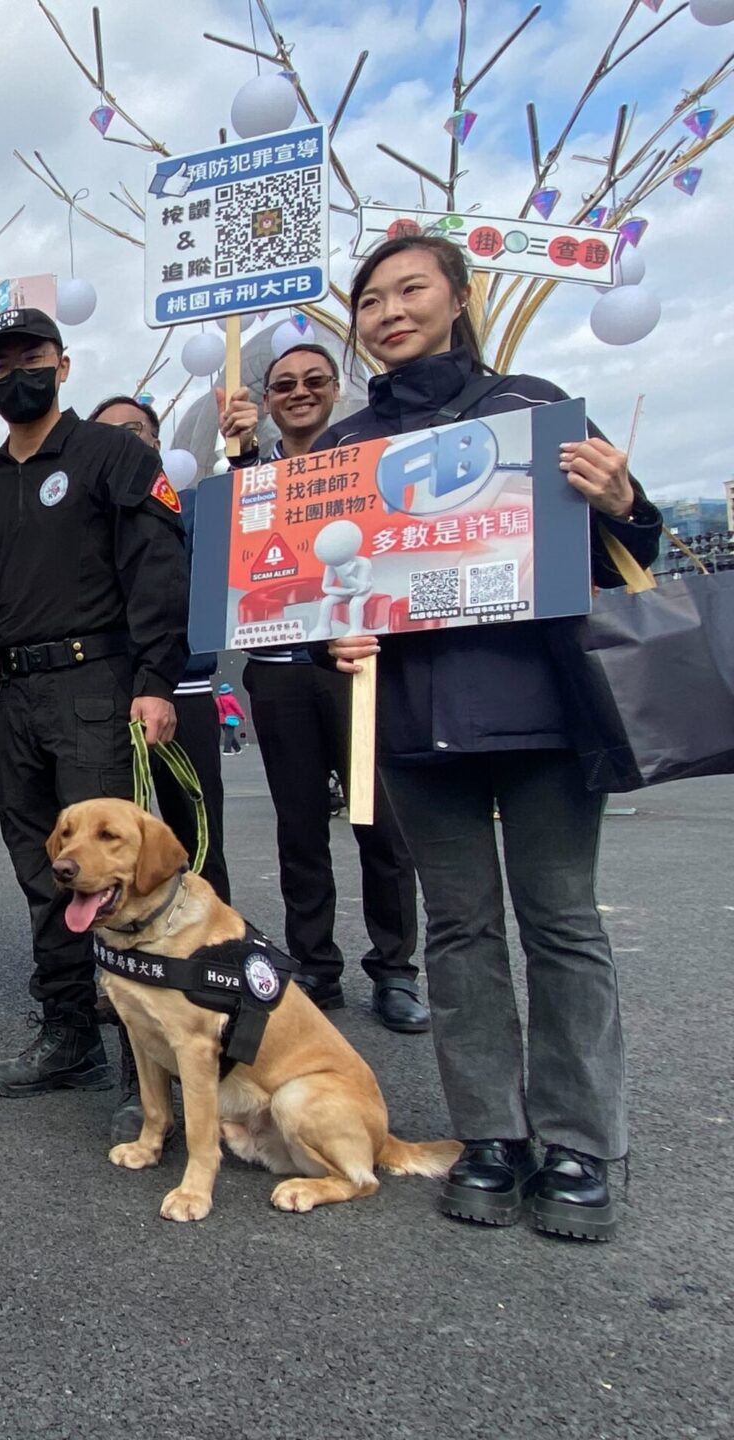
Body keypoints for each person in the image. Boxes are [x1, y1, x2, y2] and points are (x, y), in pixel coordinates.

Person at [321, 233, 662, 1241]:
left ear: (458, 296)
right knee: (460, 931)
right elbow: (310, 587)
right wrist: (331, 628)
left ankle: (581, 1143)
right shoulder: (345, 451)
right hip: (418, 719)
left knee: (562, 923)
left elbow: (618, 549)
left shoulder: (529, 406)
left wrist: (622, 499)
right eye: (371, 300)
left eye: (410, 289)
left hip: (547, 708)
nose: (389, 311)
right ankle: (493, 1135)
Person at [0, 308, 190, 1107]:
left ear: (63, 364)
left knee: (117, 876)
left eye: (31, 357)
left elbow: (158, 567)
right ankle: (67, 1034)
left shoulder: (111, 454)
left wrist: (155, 679)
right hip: (13, 700)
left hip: (98, 686)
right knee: (49, 873)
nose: (15, 373)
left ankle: (142, 1067)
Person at [218, 341, 429, 1034]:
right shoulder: (255, 472)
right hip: (277, 674)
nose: (299, 392)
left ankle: (396, 970)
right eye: (284, 384)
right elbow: (237, 551)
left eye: (314, 381)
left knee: (379, 824)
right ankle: (316, 965)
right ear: (269, 398)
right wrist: (241, 459)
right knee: (299, 828)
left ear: (337, 388)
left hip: (357, 670)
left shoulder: (370, 462)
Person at [89, 394, 230, 906]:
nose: (124, 443)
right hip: (102, 698)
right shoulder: (82, 518)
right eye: (108, 434)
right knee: (111, 848)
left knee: (195, 838)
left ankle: (211, 956)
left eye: (135, 430)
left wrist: (244, 457)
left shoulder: (192, 506)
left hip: (180, 691)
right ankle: (128, 965)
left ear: (156, 440)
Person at [216, 683, 246, 753]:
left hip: (221, 720)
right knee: (229, 735)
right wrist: (243, 716)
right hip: (230, 719)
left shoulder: (218, 700)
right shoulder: (231, 699)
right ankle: (227, 750)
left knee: (230, 734)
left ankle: (238, 749)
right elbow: (237, 708)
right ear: (229, 691)